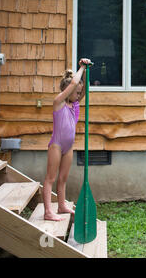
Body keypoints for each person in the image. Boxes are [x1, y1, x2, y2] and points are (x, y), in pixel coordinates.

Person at [43, 58, 92, 221]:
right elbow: (74, 85)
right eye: (76, 93)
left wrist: (85, 73)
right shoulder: (58, 103)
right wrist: (81, 68)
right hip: (56, 145)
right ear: (67, 91)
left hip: (68, 147)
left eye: (79, 93)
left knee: (63, 178)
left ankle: (62, 206)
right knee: (51, 178)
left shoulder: (75, 105)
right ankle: (48, 212)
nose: (78, 96)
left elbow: (82, 89)